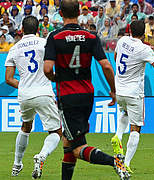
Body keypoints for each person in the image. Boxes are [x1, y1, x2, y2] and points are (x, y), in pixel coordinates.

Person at [42, 0, 130, 179]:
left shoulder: (55, 37)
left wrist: (55, 78)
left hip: (68, 96)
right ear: (78, 13)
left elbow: (47, 69)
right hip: (87, 95)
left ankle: (115, 161)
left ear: (60, 13)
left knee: (76, 147)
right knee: (68, 142)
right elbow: (106, 66)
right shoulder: (90, 36)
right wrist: (113, 90)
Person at [111, 20, 154, 174]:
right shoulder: (144, 49)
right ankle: (126, 163)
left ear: (130, 30)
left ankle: (118, 136)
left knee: (124, 113)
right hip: (134, 93)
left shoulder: (122, 40)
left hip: (119, 90)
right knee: (136, 127)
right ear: (144, 32)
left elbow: (116, 57)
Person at [5, 16, 62, 179]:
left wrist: (24, 85)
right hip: (43, 91)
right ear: (38, 29)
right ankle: (41, 156)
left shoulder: (14, 49)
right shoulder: (45, 43)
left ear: (21, 29)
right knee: (56, 131)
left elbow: (8, 78)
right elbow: (53, 67)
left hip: (24, 95)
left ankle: (17, 164)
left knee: (25, 126)